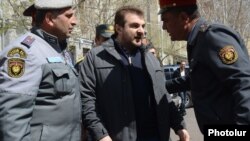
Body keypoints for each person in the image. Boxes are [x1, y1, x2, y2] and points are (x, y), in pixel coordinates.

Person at [79, 5, 189, 141]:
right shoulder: (95, 58)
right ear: (118, 28)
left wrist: (179, 126)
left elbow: (163, 96)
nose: (141, 31)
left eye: (143, 26)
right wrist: (101, 134)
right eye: (135, 26)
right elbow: (87, 100)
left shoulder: (151, 59)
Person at [158, 0, 250, 134]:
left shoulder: (211, 36)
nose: (164, 27)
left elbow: (244, 82)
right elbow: (197, 80)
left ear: (184, 18)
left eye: (166, 20)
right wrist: (160, 86)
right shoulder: (197, 40)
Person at [0, 0, 82, 141]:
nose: (74, 21)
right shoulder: (24, 53)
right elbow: (13, 118)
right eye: (69, 16)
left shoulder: (59, 51)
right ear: (50, 19)